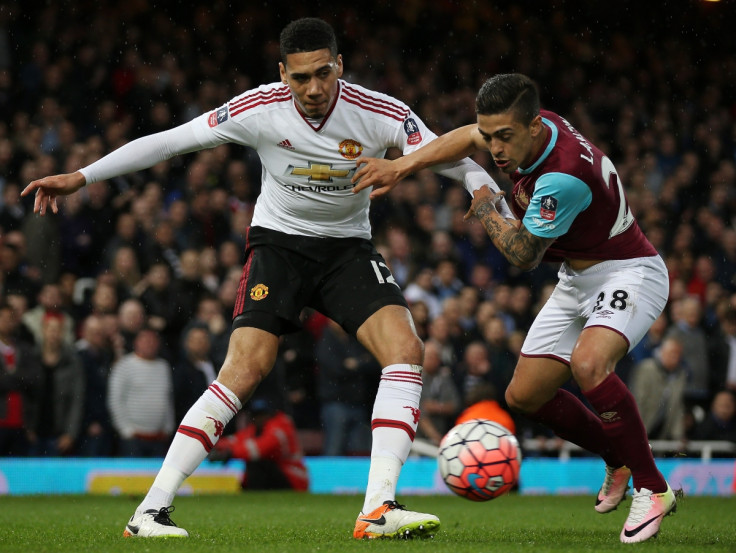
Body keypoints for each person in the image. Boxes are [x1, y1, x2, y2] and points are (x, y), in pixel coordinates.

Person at [22, 18, 509, 539]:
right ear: (283, 75)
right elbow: (171, 142)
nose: (314, 88)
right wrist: (82, 176)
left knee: (406, 351)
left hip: (347, 248)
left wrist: (483, 188)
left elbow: (447, 153)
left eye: (323, 73)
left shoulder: (380, 112)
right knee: (244, 370)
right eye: (300, 78)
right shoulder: (260, 108)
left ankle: (378, 509)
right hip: (279, 245)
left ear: (339, 66)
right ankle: (150, 511)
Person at [353, 73, 676, 543]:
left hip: (627, 270)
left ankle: (654, 487)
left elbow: (524, 255)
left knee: (589, 365)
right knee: (524, 396)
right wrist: (402, 168)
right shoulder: (524, 131)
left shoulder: (561, 177)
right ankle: (619, 454)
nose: (495, 149)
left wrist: (485, 205)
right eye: (492, 136)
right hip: (578, 277)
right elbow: (465, 137)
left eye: (505, 137)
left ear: (532, 127)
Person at [209, 397, 309, 491]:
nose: (259, 418)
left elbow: (261, 448)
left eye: (262, 414)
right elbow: (236, 440)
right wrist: (214, 447)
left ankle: (253, 496)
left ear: (270, 414)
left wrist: (231, 453)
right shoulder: (256, 428)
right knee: (256, 463)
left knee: (257, 462)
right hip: (279, 476)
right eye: (255, 415)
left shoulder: (281, 426)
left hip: (293, 478)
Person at [107, 327, 175, 457]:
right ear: (136, 343)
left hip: (159, 438)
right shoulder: (124, 365)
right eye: (145, 340)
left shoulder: (163, 366)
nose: (149, 344)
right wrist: (125, 430)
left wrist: (168, 427)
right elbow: (115, 399)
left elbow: (167, 398)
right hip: (133, 439)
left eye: (152, 341)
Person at [629, 337, 688, 441]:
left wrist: (678, 435)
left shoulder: (681, 374)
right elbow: (638, 400)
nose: (675, 357)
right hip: (642, 426)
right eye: (672, 353)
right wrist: (636, 431)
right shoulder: (646, 369)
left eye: (678, 354)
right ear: (661, 352)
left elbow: (677, 405)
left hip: (662, 431)